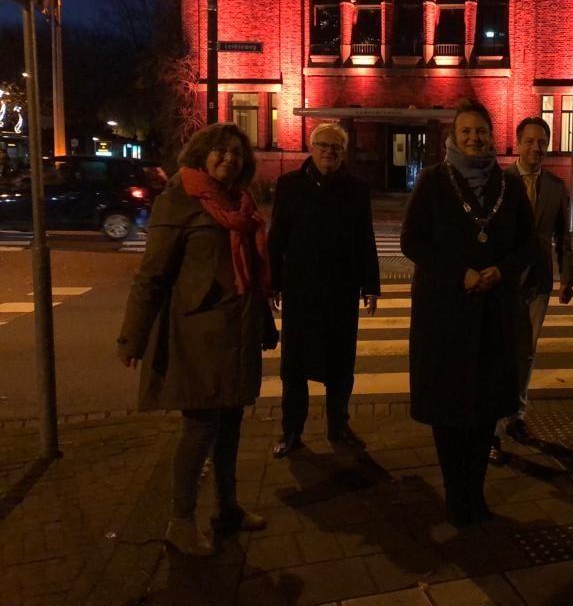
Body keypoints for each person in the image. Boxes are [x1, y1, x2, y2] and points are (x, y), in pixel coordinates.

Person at [117, 123, 277, 556]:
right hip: (199, 333)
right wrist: (133, 337)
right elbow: (151, 275)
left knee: (230, 426)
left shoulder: (241, 202)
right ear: (202, 154)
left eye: (236, 153)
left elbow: (251, 273)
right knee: (200, 428)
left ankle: (227, 508)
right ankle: (180, 521)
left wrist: (264, 323)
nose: (229, 159)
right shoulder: (180, 200)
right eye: (220, 151)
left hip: (238, 329)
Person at [401, 99, 536, 526]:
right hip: (445, 316)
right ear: (452, 138)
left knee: (483, 410)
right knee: (449, 410)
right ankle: (455, 494)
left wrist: (503, 269)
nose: (475, 138)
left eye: (481, 131)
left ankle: (474, 494)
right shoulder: (433, 182)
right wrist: (459, 275)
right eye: (466, 132)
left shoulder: (509, 186)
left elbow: (528, 242)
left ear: (492, 136)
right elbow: (413, 242)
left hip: (494, 314)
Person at [268, 122, 381, 458]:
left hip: (341, 290)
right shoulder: (289, 185)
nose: (329, 152)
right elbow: (278, 238)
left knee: (340, 365)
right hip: (301, 289)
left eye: (336, 147)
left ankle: (338, 425)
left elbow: (365, 239)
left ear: (343, 152)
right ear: (311, 147)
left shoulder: (356, 188)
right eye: (323, 145)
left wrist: (370, 285)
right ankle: (292, 431)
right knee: (294, 367)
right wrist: (273, 282)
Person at [489, 117, 573, 465]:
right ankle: (492, 429)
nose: (536, 148)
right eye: (529, 141)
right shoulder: (499, 181)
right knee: (501, 353)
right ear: (518, 143)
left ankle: (516, 416)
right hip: (504, 280)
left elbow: (563, 237)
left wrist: (568, 276)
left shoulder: (555, 186)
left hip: (538, 280)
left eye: (542, 142)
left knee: (526, 353)